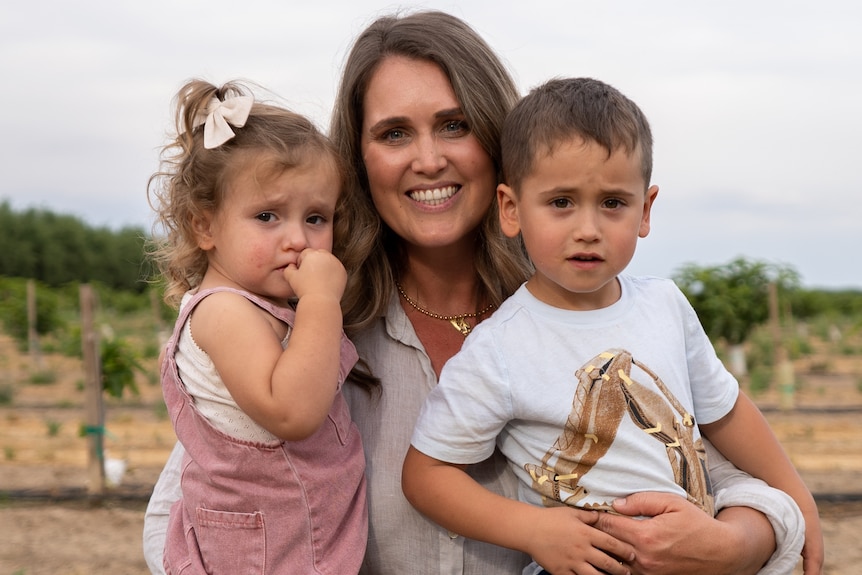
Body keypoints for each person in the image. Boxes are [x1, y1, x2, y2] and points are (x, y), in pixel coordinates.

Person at [145, 11, 805, 575]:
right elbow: (187, 509)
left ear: (499, 144)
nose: (428, 158)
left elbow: (737, 482)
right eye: (394, 133)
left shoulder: (590, 310)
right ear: (358, 160)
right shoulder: (304, 329)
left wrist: (739, 542)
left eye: (454, 125)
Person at [402, 76, 821, 574]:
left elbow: (725, 413)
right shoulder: (500, 346)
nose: (587, 229)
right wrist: (533, 531)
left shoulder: (664, 304)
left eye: (613, 203)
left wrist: (798, 500)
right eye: (561, 202)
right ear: (511, 209)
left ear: (645, 210)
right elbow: (426, 474)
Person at [146, 79, 367, 574]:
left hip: (298, 539)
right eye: (267, 215)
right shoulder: (224, 312)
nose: (297, 239)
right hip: (263, 557)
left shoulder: (260, 306)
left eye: (316, 218)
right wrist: (320, 300)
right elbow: (292, 412)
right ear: (204, 225)